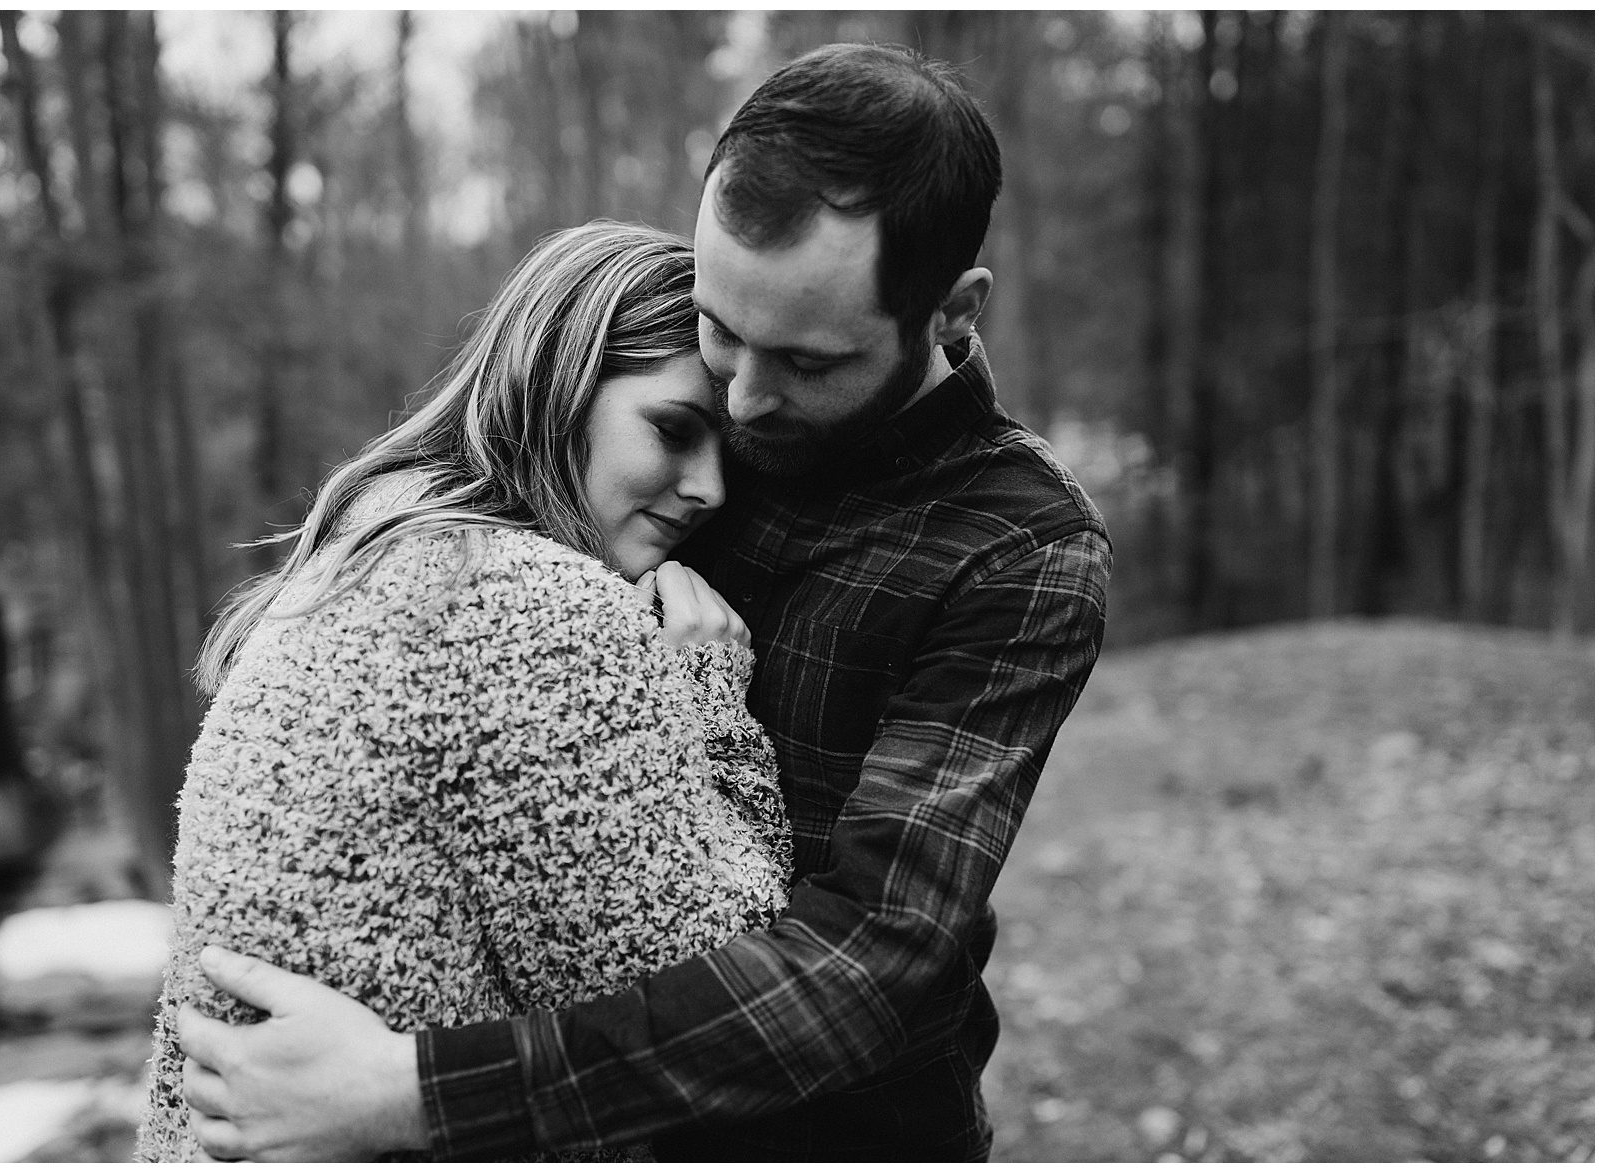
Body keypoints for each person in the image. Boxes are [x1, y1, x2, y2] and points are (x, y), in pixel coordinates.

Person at [176, 42, 1112, 1161]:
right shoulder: (623, 455)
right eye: (721, 332)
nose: (750, 406)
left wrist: (421, 1094)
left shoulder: (1018, 547)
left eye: (811, 364)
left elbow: (875, 957)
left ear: (952, 313)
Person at [135, 221, 793, 1161]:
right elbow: (717, 1007)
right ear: (558, 385)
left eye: (729, 451)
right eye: (674, 429)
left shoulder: (379, 547)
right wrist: (712, 700)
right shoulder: (527, 603)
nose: (709, 489)